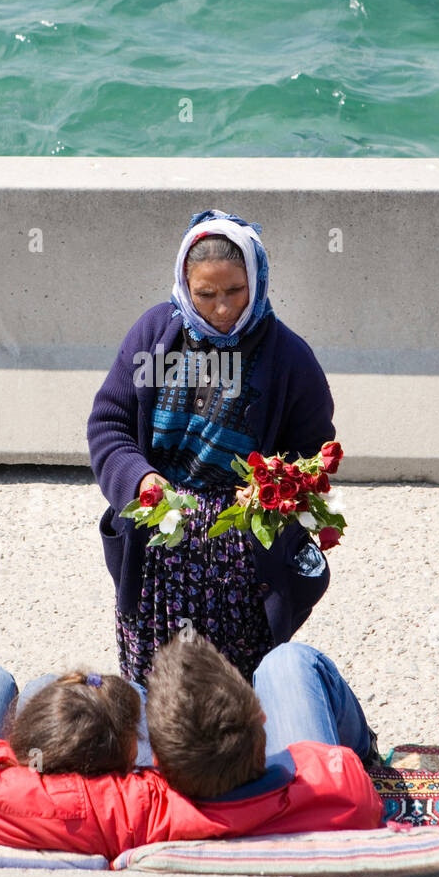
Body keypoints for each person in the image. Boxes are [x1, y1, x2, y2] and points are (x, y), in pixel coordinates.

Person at [87, 208, 338, 687]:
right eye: (206, 295)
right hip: (158, 537)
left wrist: (272, 492)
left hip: (241, 558)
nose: (222, 309)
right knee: (157, 685)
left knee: (232, 688)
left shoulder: (289, 358)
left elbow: (312, 455)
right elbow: (109, 426)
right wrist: (139, 479)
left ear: (257, 280)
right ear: (185, 285)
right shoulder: (154, 335)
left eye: (234, 292)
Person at [0, 633, 383, 861]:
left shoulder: (129, 807)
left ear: (151, 759)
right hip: (272, 782)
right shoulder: (338, 782)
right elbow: (352, 787)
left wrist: (11, 752)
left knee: (2, 681)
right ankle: (369, 743)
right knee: (290, 663)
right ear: (263, 724)